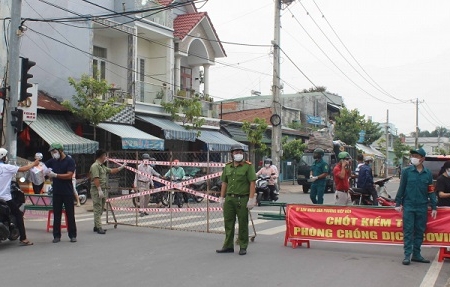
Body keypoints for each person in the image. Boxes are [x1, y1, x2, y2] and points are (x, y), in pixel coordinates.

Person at [395, 148, 437, 265]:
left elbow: (431, 191)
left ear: (422, 159)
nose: (413, 158)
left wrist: (434, 206)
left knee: (419, 231)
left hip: (422, 207)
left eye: (416, 156)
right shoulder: (406, 171)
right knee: (408, 231)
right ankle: (407, 255)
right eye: (413, 155)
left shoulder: (427, 173)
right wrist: (398, 203)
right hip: (409, 205)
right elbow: (402, 188)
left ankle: (416, 255)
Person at [216, 144, 256, 256]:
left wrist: (251, 199)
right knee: (228, 223)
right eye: (236, 152)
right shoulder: (228, 167)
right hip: (229, 198)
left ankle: (243, 246)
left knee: (243, 223)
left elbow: (252, 183)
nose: (238, 154)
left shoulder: (248, 166)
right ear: (231, 154)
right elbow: (224, 183)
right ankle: (228, 246)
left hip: (242, 198)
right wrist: (221, 197)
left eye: (240, 152)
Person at [0, 148, 39, 245]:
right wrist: (34, 164)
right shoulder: (7, 167)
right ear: (3, 157)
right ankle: (23, 238)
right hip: (4, 198)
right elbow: (24, 169)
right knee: (18, 215)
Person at [45, 143, 78, 243]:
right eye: (52, 152)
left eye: (54, 152)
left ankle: (72, 235)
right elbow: (43, 166)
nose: (53, 154)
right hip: (57, 191)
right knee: (57, 214)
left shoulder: (70, 161)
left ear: (60, 151)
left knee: (70, 214)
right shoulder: (53, 161)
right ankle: (56, 236)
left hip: (67, 192)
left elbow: (69, 175)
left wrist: (55, 175)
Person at [89, 149, 127, 234]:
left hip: (103, 189)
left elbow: (111, 171)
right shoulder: (95, 166)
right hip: (97, 190)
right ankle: (98, 227)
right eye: (105, 156)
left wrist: (122, 166)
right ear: (101, 156)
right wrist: (99, 190)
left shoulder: (102, 166)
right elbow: (96, 178)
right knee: (97, 208)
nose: (106, 157)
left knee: (101, 208)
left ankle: (96, 225)